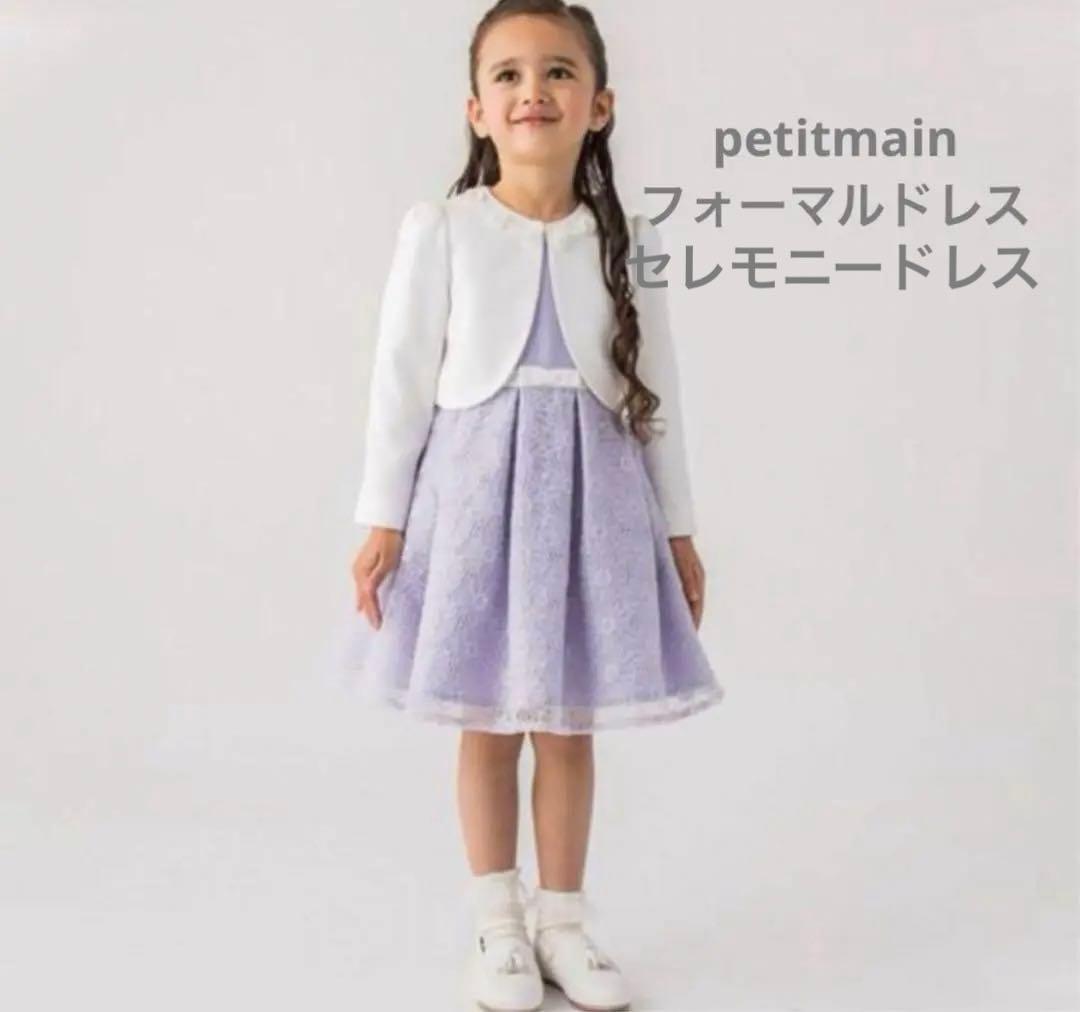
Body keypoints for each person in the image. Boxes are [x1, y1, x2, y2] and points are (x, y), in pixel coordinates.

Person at [335, 2, 724, 1008]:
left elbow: (661, 395)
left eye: (558, 72)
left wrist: (677, 530)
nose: (532, 91)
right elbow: (400, 379)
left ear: (601, 104)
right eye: (506, 75)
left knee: (566, 722)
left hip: (592, 505)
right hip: (474, 502)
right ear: (476, 109)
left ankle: (563, 922)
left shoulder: (627, 240)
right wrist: (383, 517)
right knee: (487, 717)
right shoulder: (445, 229)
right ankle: (496, 925)